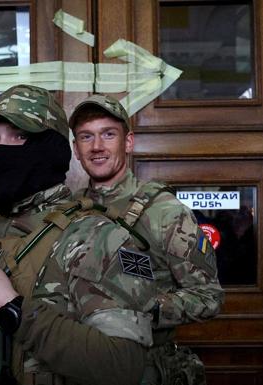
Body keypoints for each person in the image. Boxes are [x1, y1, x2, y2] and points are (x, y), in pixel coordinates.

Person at [0, 84, 167, 385]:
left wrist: (11, 309)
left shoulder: (100, 238)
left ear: (52, 147)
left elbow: (122, 366)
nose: (1, 150)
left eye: (19, 136)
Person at [69, 94, 224, 384]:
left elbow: (208, 297)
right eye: (86, 137)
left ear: (128, 142)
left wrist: (145, 308)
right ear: (75, 149)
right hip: (79, 364)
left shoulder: (166, 212)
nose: (97, 146)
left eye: (108, 134)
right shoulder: (68, 211)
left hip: (143, 365)